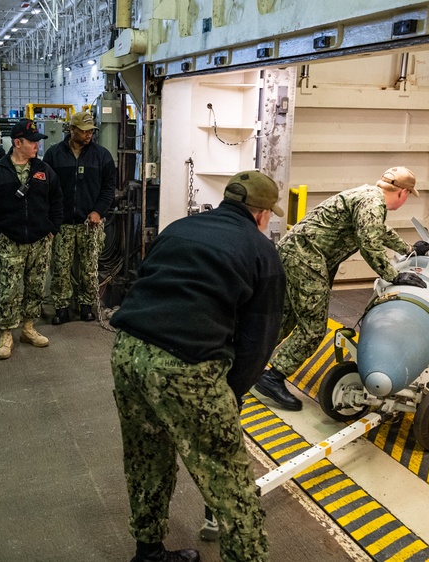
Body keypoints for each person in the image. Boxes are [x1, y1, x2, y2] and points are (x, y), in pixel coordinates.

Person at [109, 171, 285, 562]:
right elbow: (259, 342)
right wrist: (230, 392)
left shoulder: (179, 228)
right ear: (260, 215)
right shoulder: (262, 251)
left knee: (145, 456)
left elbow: (145, 280)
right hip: (186, 368)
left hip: (128, 350)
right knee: (230, 481)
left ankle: (148, 551)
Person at [254, 166, 428, 410]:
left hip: (294, 255)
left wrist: (408, 249)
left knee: (285, 318)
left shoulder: (367, 196)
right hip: (306, 259)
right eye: (408, 195)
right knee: (313, 329)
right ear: (402, 193)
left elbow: (377, 231)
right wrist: (394, 276)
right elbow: (370, 244)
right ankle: (273, 377)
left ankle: (245, 363)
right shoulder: (372, 204)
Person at [0, 119, 62, 360]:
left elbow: (57, 201)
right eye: (32, 142)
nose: (36, 146)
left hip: (39, 241)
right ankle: (6, 334)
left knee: (36, 287)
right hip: (10, 241)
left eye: (37, 142)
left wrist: (52, 229)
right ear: (17, 143)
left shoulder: (44, 171)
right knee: (9, 289)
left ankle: (28, 328)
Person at [43, 111, 116, 324]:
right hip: (62, 223)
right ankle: (62, 307)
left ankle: (86, 306)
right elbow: (46, 188)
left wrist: (99, 211)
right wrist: (51, 219)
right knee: (61, 268)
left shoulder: (101, 156)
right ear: (72, 130)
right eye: (83, 131)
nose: (88, 135)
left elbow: (108, 188)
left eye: (91, 131)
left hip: (89, 223)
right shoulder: (54, 155)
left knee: (89, 267)